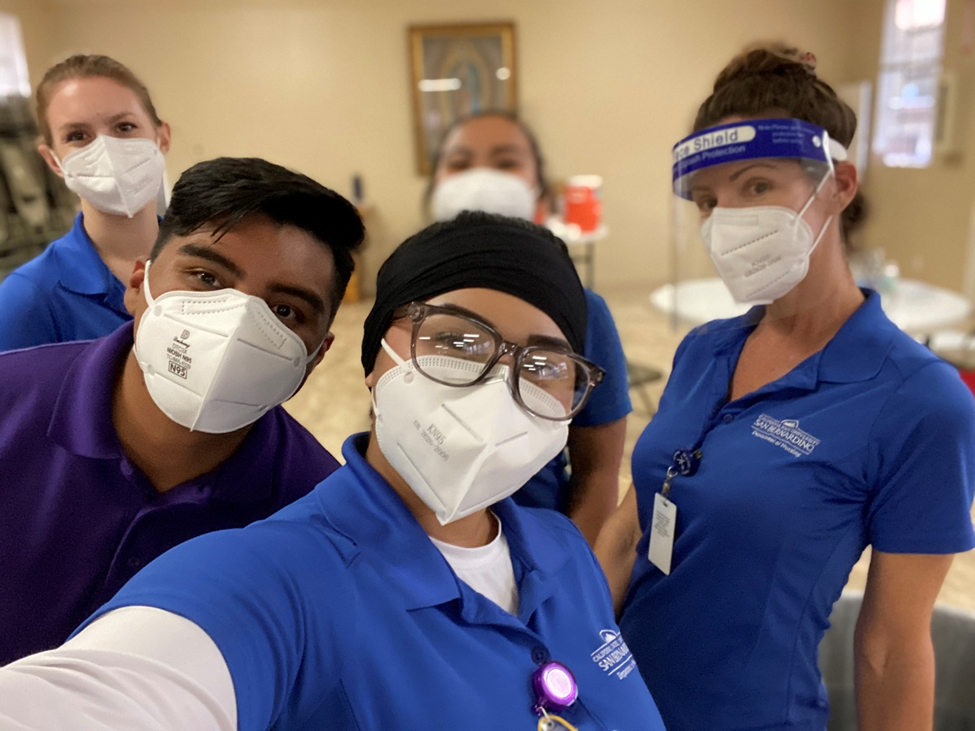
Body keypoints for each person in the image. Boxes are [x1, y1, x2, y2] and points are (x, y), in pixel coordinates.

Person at [0, 212, 665, 731]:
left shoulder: (558, 550)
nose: (497, 385)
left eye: (544, 364)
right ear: (376, 358)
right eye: (457, 340)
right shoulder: (276, 580)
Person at [596, 45, 975, 731]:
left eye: (756, 185)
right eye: (708, 200)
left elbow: (891, 650)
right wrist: (569, 655)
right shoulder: (703, 350)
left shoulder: (917, 402)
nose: (724, 221)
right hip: (619, 706)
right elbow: (630, 526)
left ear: (839, 183)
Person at [0, 156, 364, 665]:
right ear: (137, 285)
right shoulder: (9, 402)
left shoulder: (314, 515)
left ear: (316, 355)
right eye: (207, 279)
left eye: (284, 311)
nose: (236, 322)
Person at [427, 111, 632, 545]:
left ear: (539, 187)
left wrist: (569, 576)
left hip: (535, 543)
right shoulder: (409, 303)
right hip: (411, 543)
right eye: (461, 163)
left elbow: (597, 472)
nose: (482, 177)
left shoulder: (583, 312)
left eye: (504, 162)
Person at [0, 54, 171, 351]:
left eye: (124, 127)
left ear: (161, 137)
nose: (106, 148)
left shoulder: (211, 266)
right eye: (77, 135)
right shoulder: (26, 299)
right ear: (53, 160)